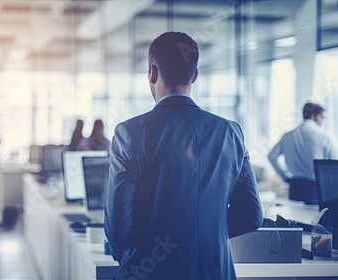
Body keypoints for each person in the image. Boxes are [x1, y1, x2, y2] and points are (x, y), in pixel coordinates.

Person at [104, 32, 263, 279]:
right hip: (216, 270)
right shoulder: (231, 132)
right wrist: (204, 235)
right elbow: (251, 215)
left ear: (152, 72)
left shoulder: (130, 133)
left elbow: (118, 228)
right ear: (195, 75)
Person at [268, 102, 338, 201]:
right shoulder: (325, 136)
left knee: (293, 215)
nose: (322, 120)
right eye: (322, 117)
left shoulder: (287, 135)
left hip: (294, 188)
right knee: (314, 216)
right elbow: (334, 165)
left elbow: (271, 156)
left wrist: (285, 176)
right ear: (314, 116)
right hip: (316, 189)